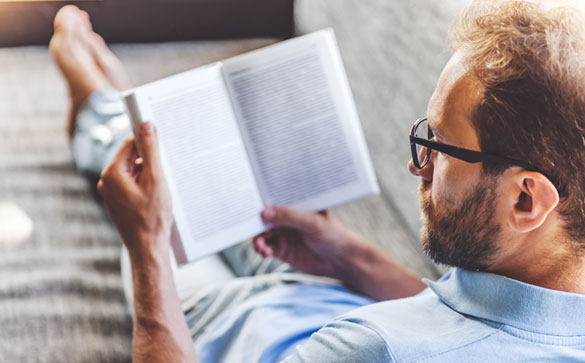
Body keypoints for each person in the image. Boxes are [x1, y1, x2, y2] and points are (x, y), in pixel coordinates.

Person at [50, 0, 585, 361]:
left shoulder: (368, 351)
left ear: (525, 198)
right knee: (213, 186)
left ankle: (99, 108)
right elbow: (475, 317)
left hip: (229, 323)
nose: (416, 166)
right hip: (333, 289)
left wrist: (145, 248)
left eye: (438, 147)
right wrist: (346, 256)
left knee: (155, 196)